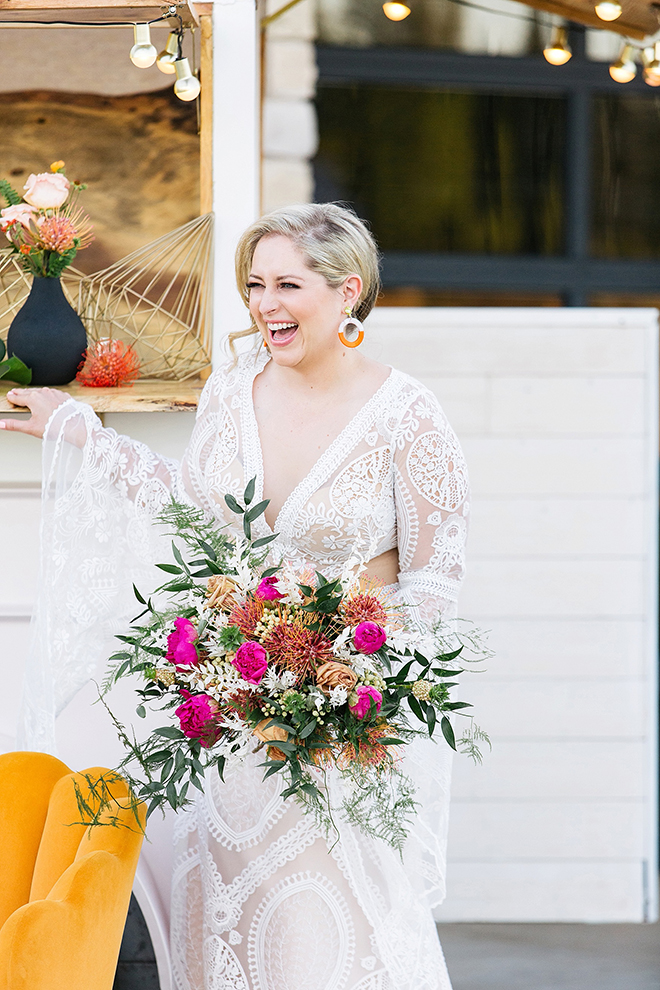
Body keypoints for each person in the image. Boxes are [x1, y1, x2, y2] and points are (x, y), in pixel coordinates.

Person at [1, 203, 469, 990]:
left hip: (336, 734)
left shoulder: (409, 417)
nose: (264, 305)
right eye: (255, 285)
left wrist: (343, 655)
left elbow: (434, 584)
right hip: (230, 729)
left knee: (329, 942)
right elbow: (193, 507)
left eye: (288, 285)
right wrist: (84, 433)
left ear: (347, 291)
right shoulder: (230, 391)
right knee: (229, 932)